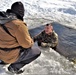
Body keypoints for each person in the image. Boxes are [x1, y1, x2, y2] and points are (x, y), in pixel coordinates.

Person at [0, 1, 41, 74]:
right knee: (36, 51)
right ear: (21, 12)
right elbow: (27, 44)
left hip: (1, 53)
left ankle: (3, 61)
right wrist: (31, 40)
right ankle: (14, 67)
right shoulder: (18, 24)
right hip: (9, 56)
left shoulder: (2, 19)